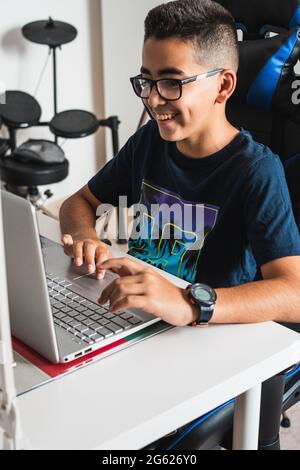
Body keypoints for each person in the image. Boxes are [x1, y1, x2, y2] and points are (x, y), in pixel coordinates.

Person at [59, 0, 300, 328]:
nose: (153, 100)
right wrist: (85, 235)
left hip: (209, 334)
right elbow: (80, 202)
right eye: (147, 81)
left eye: (172, 83)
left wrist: (189, 304)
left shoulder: (256, 170)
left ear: (223, 85)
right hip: (142, 319)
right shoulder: (149, 142)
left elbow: (293, 293)